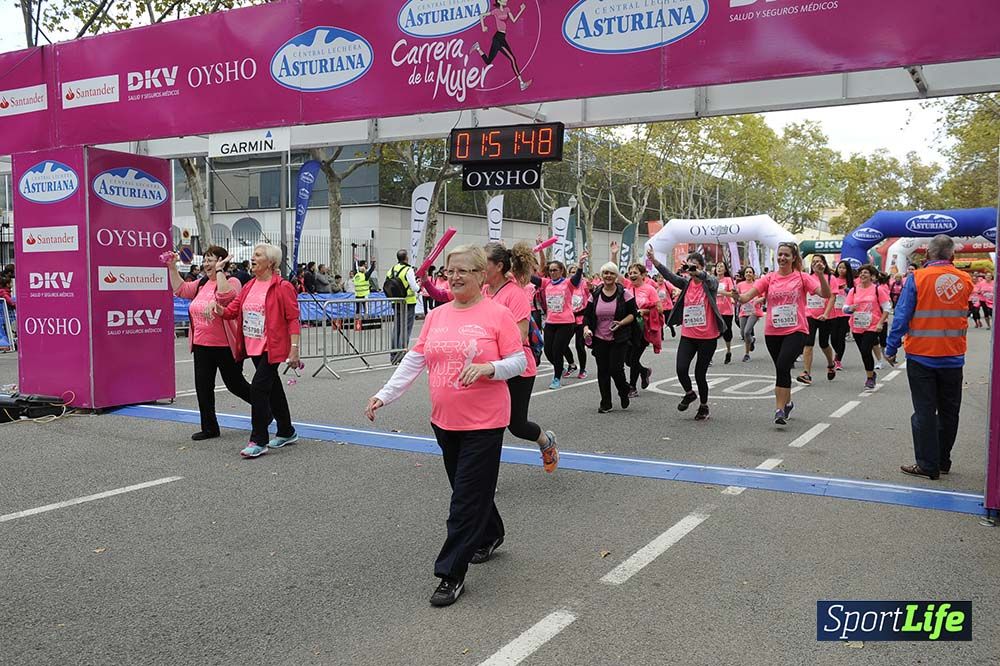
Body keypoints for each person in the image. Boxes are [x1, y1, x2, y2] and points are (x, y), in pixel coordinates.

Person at [366, 245, 526, 607]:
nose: (453, 277)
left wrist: (490, 368)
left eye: (463, 271)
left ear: (481, 275)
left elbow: (519, 360)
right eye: (449, 271)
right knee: (469, 489)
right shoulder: (437, 316)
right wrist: (384, 395)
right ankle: (491, 533)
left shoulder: (497, 314)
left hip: (485, 422)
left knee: (464, 499)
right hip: (445, 420)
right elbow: (415, 360)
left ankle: (450, 574)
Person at [885, 235, 974, 480]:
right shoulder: (966, 280)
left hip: (922, 356)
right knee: (949, 412)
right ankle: (943, 460)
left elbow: (902, 315)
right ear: (952, 257)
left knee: (924, 412)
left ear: (927, 255)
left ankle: (927, 464)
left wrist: (891, 347)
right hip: (953, 356)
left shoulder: (917, 278)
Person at [217, 244, 301, 459]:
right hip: (252, 344)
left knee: (258, 389)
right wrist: (219, 310)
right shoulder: (249, 286)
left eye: (258, 255)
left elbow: (293, 319)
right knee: (273, 389)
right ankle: (286, 431)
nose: (252, 258)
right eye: (253, 255)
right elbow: (232, 310)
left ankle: (258, 439)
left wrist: (294, 349)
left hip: (272, 346)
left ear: (270, 262)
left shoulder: (282, 286)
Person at [738, 242, 830, 426]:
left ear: (794, 258)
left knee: (782, 364)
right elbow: (746, 297)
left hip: (796, 330)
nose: (782, 258)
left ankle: (779, 410)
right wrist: (734, 295)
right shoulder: (769, 278)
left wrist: (820, 275)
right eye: (780, 254)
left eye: (786, 255)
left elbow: (825, 294)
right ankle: (787, 403)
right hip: (773, 331)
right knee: (782, 369)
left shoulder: (803, 277)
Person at [168, 245, 252, 440]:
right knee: (203, 387)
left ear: (222, 262)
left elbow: (225, 297)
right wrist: (172, 267)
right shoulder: (201, 283)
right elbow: (180, 289)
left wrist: (221, 271)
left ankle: (265, 407)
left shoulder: (233, 281)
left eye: (211, 260)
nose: (206, 264)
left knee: (235, 385)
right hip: (201, 345)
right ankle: (209, 428)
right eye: (205, 260)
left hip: (225, 346)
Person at [648, 247, 725, 421]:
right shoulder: (686, 283)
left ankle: (704, 406)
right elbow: (669, 276)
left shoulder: (709, 283)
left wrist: (699, 273)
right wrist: (654, 260)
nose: (692, 270)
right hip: (688, 335)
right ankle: (690, 393)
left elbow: (712, 280)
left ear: (702, 267)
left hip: (708, 337)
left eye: (695, 267)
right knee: (681, 369)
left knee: (700, 374)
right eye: (689, 266)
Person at [583, 263, 638, 413]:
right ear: (601, 275)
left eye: (611, 273)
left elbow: (633, 314)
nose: (608, 276)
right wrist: (586, 328)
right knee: (603, 370)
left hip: (619, 337)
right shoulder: (595, 294)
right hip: (600, 338)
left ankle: (623, 390)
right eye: (605, 273)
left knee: (615, 369)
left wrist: (621, 323)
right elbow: (587, 315)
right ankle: (606, 402)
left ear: (616, 276)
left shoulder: (624, 293)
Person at [843, 264, 892, 390]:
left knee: (866, 350)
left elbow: (887, 308)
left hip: (872, 325)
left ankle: (869, 378)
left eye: (866, 273)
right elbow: (845, 308)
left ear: (872, 276)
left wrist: (881, 322)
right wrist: (850, 308)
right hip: (857, 326)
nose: (863, 275)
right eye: (861, 273)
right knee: (864, 353)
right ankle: (872, 373)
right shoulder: (854, 290)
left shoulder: (877, 289)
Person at [539, 256, 585, 390]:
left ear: (561, 271)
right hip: (550, 322)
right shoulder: (546, 283)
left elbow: (577, 277)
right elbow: (530, 277)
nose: (552, 273)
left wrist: (581, 265)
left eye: (555, 270)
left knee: (557, 350)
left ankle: (556, 379)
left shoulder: (568, 283)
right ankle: (561, 367)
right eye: (550, 270)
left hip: (566, 323)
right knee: (548, 351)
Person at [472, 0, 532, 91]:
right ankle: (521, 83)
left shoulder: (507, 9)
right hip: (498, 38)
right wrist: (483, 26)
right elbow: (481, 15)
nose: (506, 0)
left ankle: (478, 48)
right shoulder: (495, 11)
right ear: (499, 1)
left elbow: (514, 20)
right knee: (512, 59)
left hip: (501, 38)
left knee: (488, 61)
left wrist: (521, 10)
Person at [624, 263, 662, 398]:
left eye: (635, 272)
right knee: (627, 360)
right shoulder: (627, 288)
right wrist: (614, 254)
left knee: (633, 358)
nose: (632, 275)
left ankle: (632, 387)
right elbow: (615, 273)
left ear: (643, 275)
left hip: (643, 330)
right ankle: (644, 371)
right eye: (630, 273)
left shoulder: (650, 289)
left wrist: (643, 311)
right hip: (628, 329)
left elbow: (659, 309)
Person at [798, 255, 836, 384]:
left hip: (826, 316)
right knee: (808, 343)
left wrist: (825, 314)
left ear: (824, 263)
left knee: (824, 343)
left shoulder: (831, 278)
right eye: (813, 262)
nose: (816, 264)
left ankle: (831, 364)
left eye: (818, 261)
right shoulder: (807, 278)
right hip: (809, 315)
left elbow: (831, 297)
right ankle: (806, 373)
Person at [388, 250, 421, 365]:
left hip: (396, 301)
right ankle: (402, 354)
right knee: (405, 329)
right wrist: (419, 286)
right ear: (406, 258)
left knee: (396, 328)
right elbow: (414, 287)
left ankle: (394, 355)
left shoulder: (392, 269)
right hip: (408, 302)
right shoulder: (408, 270)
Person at [829, 261, 854, 371]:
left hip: (845, 313)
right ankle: (836, 353)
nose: (841, 270)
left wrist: (847, 289)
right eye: (840, 267)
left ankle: (838, 360)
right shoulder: (832, 279)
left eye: (844, 268)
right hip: (833, 312)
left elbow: (855, 295)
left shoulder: (851, 282)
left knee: (841, 337)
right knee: (833, 337)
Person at [737, 266, 764, 362]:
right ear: (744, 275)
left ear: (753, 274)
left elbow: (764, 297)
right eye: (746, 272)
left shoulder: (757, 284)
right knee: (742, 333)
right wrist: (735, 298)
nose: (748, 274)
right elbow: (737, 297)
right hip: (743, 311)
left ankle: (746, 354)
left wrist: (758, 300)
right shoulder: (740, 285)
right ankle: (751, 340)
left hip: (754, 311)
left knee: (747, 332)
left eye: (750, 272)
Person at [713, 261, 737, 365]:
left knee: (727, 333)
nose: (719, 268)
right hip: (714, 310)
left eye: (721, 267)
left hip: (726, 310)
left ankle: (728, 351)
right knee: (713, 333)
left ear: (725, 270)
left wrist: (721, 292)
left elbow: (732, 293)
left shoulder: (728, 280)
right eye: (717, 266)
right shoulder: (712, 280)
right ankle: (710, 357)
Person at [569, 266, 590, 380]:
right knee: (561, 345)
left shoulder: (585, 285)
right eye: (572, 272)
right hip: (569, 319)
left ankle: (582, 369)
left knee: (579, 346)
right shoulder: (567, 285)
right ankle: (571, 364)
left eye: (576, 272)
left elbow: (591, 298)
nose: (574, 274)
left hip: (581, 319)